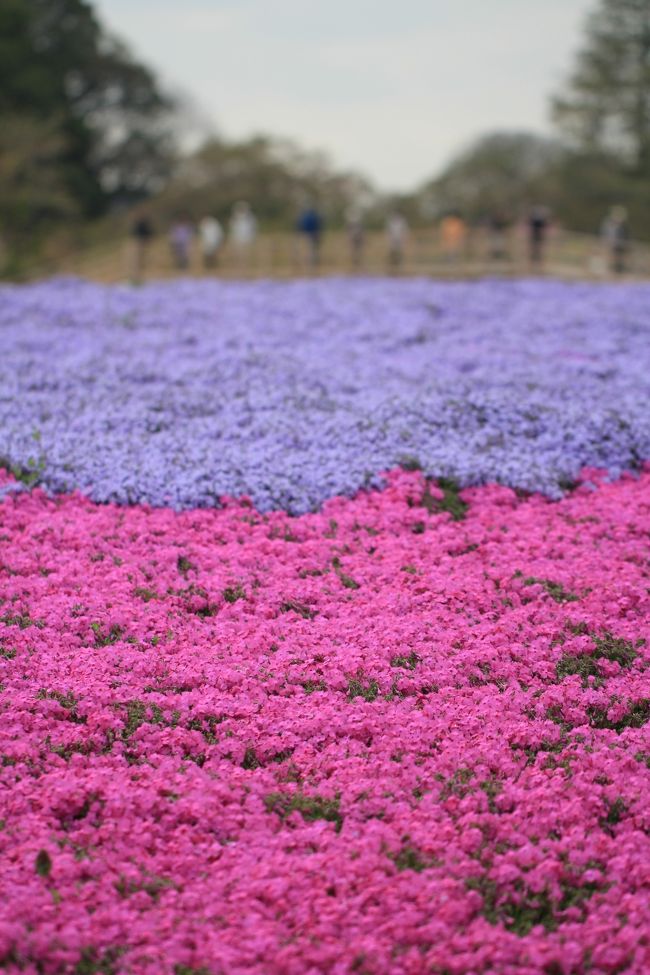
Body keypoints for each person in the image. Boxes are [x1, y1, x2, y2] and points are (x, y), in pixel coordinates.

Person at [601, 206, 629, 275]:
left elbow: (625, 236)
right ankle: (610, 272)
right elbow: (606, 234)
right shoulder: (609, 224)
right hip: (611, 245)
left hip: (619, 246)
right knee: (610, 260)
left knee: (618, 260)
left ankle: (617, 272)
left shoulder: (623, 226)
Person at [229, 201, 257, 271]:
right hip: (238, 239)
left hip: (247, 239)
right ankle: (238, 267)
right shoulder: (234, 218)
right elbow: (232, 229)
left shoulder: (250, 218)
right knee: (238, 255)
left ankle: (246, 267)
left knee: (246, 255)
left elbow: (253, 229)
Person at [129, 210, 154, 283]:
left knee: (143, 259)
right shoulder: (139, 224)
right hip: (140, 242)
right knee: (138, 260)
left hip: (144, 242)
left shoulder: (143, 224)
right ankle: (138, 275)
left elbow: (149, 232)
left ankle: (141, 274)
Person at [345, 205, 364, 269]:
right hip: (354, 237)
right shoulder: (351, 223)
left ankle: (357, 260)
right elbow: (348, 231)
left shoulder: (358, 223)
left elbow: (361, 231)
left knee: (358, 250)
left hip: (357, 237)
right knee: (353, 249)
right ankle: (354, 261)